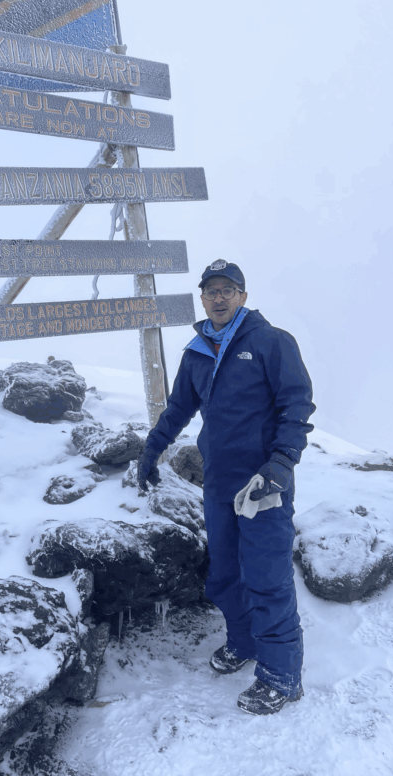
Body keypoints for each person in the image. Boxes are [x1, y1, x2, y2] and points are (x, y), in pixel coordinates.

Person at [136, 259, 315, 715]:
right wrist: (151, 450)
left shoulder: (271, 342)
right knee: (224, 575)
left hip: (263, 483)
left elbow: (296, 406)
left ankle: (281, 676)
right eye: (211, 291)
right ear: (202, 299)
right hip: (218, 484)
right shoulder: (197, 352)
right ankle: (244, 641)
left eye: (227, 290)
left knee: (267, 578)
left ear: (242, 296)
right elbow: (178, 409)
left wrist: (281, 463)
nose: (218, 298)